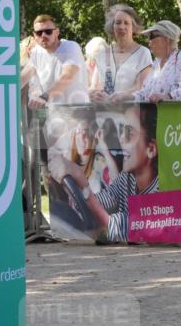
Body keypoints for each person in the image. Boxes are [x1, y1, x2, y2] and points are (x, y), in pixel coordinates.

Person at [48, 104, 158, 244]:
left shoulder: (161, 191)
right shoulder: (127, 179)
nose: (121, 139)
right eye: (121, 131)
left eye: (129, 132)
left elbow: (119, 229)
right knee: (60, 210)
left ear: (151, 149)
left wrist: (81, 182)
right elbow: (100, 202)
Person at [90, 4, 152, 103]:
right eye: (118, 22)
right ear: (112, 26)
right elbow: (94, 86)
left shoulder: (143, 53)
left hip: (131, 113)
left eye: (126, 23)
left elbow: (143, 86)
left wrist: (123, 95)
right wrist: (93, 93)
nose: (122, 27)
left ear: (133, 27)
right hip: (102, 113)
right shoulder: (102, 54)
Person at [26, 14, 90, 109]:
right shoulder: (36, 52)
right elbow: (23, 77)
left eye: (48, 31)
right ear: (34, 36)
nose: (43, 35)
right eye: (39, 33)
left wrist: (44, 97)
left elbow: (67, 77)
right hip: (54, 115)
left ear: (57, 32)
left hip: (78, 113)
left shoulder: (70, 47)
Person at [134, 20, 181, 103]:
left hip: (175, 114)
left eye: (151, 37)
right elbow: (144, 92)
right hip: (154, 114)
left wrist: (168, 96)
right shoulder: (156, 63)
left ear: (166, 39)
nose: (148, 42)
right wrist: (124, 97)